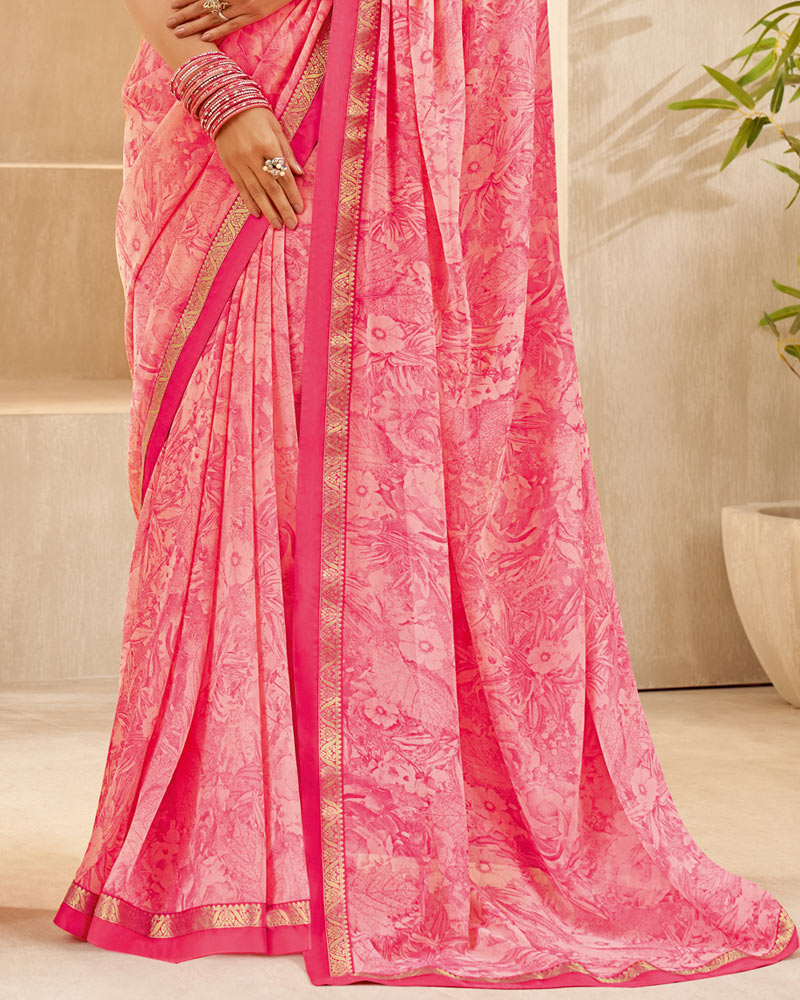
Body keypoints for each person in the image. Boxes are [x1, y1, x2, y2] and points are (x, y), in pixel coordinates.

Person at [52, 0, 798, 987]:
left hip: (391, 92)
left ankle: (356, 852)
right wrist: (211, 83)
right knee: (222, 463)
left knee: (364, 461)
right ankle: (228, 851)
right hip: (234, 84)